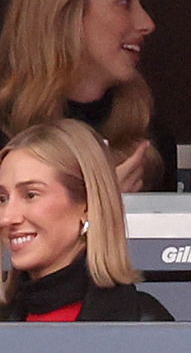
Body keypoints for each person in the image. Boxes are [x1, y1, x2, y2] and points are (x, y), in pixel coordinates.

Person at [0, 0, 177, 192]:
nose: (146, 23)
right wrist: (97, 205)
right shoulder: (5, 129)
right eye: (125, 2)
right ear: (65, 14)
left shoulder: (148, 140)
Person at [0, 119, 173, 321]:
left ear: (88, 205)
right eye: (2, 199)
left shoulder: (142, 323)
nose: (6, 218)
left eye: (31, 195)